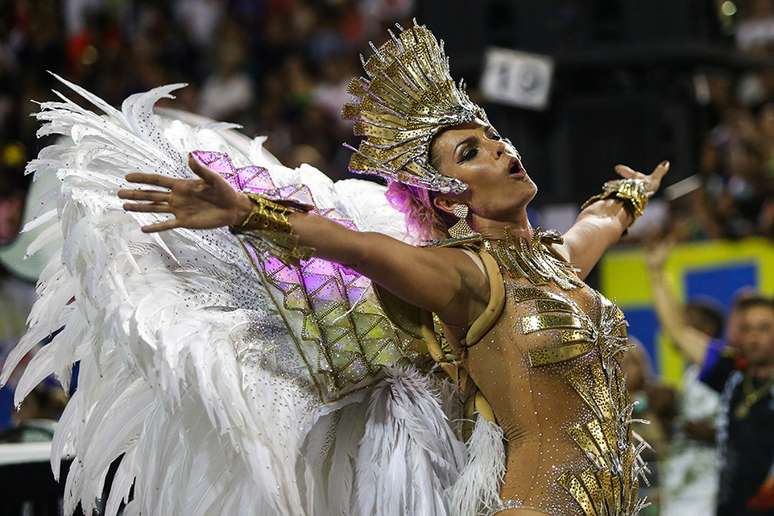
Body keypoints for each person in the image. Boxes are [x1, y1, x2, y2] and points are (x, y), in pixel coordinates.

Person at [3, 22, 667, 516]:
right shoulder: (464, 277)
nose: (500, 151)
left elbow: (596, 224)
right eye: (473, 153)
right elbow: (357, 248)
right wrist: (244, 211)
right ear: (448, 195)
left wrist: (628, 194)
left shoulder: (556, 262)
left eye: (495, 140)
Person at [646, 244, 774, 516]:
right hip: (729, 508)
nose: (753, 337)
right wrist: (656, 273)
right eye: (747, 328)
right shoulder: (732, 371)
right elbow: (679, 331)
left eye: (764, 328)